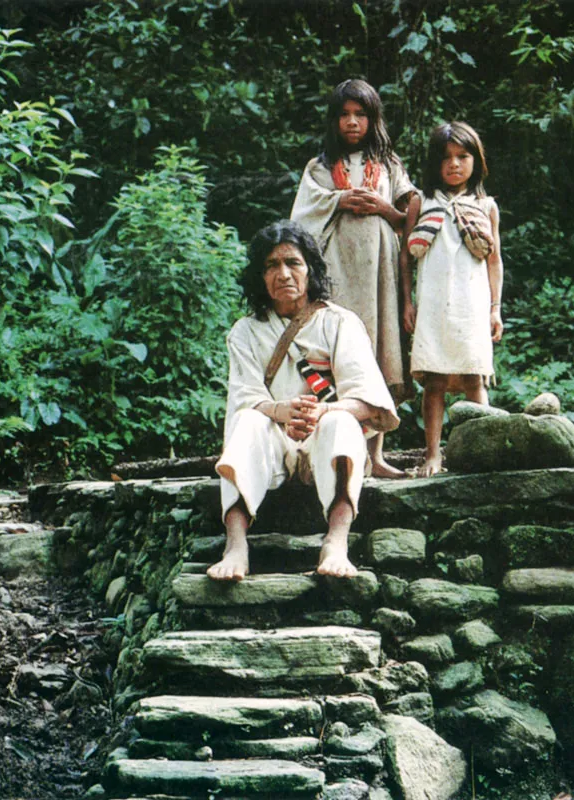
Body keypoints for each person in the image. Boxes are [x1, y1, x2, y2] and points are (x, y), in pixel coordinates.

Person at [208, 220, 400, 582]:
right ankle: (235, 545)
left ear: (309, 268)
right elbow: (245, 398)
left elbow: (369, 402)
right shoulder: (245, 332)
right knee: (245, 421)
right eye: (271, 266)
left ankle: (336, 542)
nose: (283, 274)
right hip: (273, 441)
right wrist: (283, 412)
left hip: (325, 437)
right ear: (259, 277)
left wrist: (323, 410)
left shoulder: (340, 322)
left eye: (293, 262)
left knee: (343, 422)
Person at [291, 78, 415, 478]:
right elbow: (301, 219)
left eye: (360, 114)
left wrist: (384, 207)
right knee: (335, 354)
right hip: (337, 271)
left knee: (379, 353)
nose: (352, 122)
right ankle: (338, 452)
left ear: (372, 118)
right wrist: (339, 199)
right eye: (344, 115)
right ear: (334, 120)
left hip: (381, 274)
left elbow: (409, 218)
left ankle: (376, 456)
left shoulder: (390, 165)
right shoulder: (320, 167)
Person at [400, 121, 504, 477]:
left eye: (463, 156)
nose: (455, 164)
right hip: (432, 306)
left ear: (477, 160)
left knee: (475, 377)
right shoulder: (421, 201)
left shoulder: (486, 205)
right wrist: (407, 303)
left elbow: (494, 261)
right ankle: (433, 453)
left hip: (471, 307)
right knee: (435, 381)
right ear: (434, 163)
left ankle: (484, 452)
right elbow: (405, 259)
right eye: (446, 158)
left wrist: (495, 309)